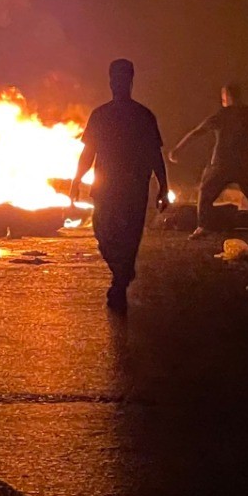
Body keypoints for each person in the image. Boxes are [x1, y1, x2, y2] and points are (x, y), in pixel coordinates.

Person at [70, 59, 169, 312]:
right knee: (103, 234)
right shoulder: (101, 115)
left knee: (128, 238)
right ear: (110, 82)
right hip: (108, 188)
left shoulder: (143, 116)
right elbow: (88, 152)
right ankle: (122, 272)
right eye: (114, 79)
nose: (117, 83)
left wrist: (163, 186)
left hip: (132, 189)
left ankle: (120, 280)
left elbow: (154, 154)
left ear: (129, 82)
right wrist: (76, 180)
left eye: (121, 79)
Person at [169, 82, 248, 239]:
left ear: (226, 97)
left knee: (205, 192)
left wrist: (177, 150)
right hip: (245, 164)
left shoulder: (221, 115)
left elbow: (196, 133)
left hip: (221, 164)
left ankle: (204, 226)